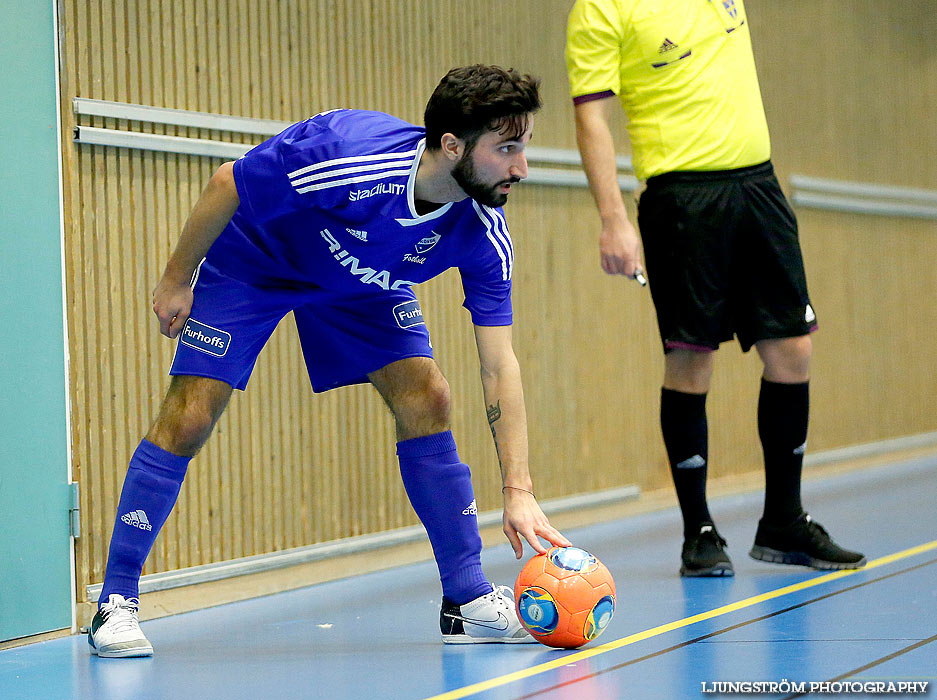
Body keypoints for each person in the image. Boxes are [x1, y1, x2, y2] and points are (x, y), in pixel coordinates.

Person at [88, 64, 571, 657]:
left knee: (430, 397)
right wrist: (175, 279)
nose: (521, 168)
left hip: (360, 282)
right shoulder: (349, 158)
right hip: (257, 259)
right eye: (508, 149)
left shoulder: (480, 229)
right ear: (452, 146)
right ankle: (115, 601)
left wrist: (518, 489)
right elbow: (227, 183)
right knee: (189, 415)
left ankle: (466, 599)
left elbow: (500, 365)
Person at [565, 0, 865, 577]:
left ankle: (784, 519)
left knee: (793, 349)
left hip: (758, 184)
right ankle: (698, 531)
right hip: (682, 197)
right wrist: (613, 219)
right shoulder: (600, 10)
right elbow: (591, 119)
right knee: (691, 359)